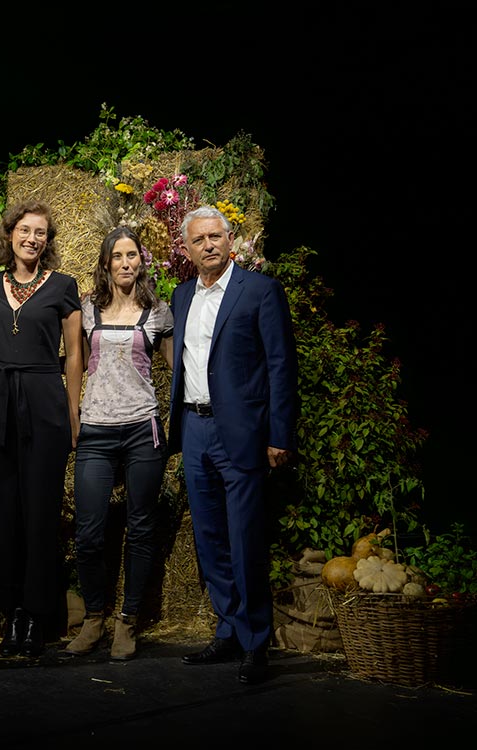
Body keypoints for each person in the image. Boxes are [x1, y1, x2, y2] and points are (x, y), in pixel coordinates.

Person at [167, 205, 298, 685]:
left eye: (215, 237)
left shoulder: (259, 291)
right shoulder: (182, 296)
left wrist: (280, 434)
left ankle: (254, 641)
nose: (208, 245)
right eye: (198, 240)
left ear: (230, 240)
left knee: (245, 539)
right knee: (210, 540)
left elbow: (282, 365)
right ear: (186, 248)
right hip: (194, 427)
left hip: (240, 432)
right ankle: (227, 629)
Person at [0, 199, 84, 658]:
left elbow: (75, 355)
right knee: (1, 513)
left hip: (43, 400)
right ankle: (11, 611)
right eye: (25, 230)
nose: (32, 238)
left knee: (39, 512)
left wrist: (74, 415)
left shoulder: (63, 285)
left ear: (47, 241)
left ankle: (38, 615)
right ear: (10, 234)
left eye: (40, 232)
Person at [64, 227, 173, 661]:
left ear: (140, 262)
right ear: (106, 263)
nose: (126, 263)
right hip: (96, 429)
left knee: (141, 528)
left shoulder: (158, 311)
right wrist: (72, 416)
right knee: (89, 532)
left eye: (133, 256)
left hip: (141, 428)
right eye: (118, 256)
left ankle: (127, 623)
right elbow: (73, 361)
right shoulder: (86, 309)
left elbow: (178, 364)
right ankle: (94, 619)